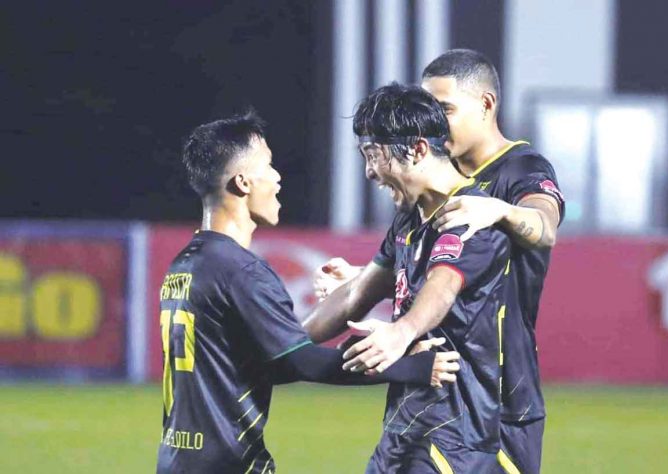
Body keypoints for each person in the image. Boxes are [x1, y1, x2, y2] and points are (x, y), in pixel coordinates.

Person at [155, 111, 460, 474]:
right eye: (268, 166)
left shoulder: (184, 265)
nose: (278, 178)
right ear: (243, 182)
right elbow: (303, 362)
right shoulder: (241, 271)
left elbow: (275, 366)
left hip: (176, 462)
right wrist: (411, 366)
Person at [314, 49, 565, 474]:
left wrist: (503, 212)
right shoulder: (418, 196)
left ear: (485, 105)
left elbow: (545, 225)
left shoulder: (519, 170)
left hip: (501, 398)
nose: (435, 121)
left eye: (444, 108)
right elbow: (421, 272)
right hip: (433, 393)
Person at [305, 83, 511, 472]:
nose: (368, 172)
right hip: (405, 423)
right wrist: (282, 343)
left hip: (454, 433)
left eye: (373, 155)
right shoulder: (408, 219)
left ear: (416, 149)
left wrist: (401, 332)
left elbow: (444, 284)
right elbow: (354, 297)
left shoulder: (473, 213)